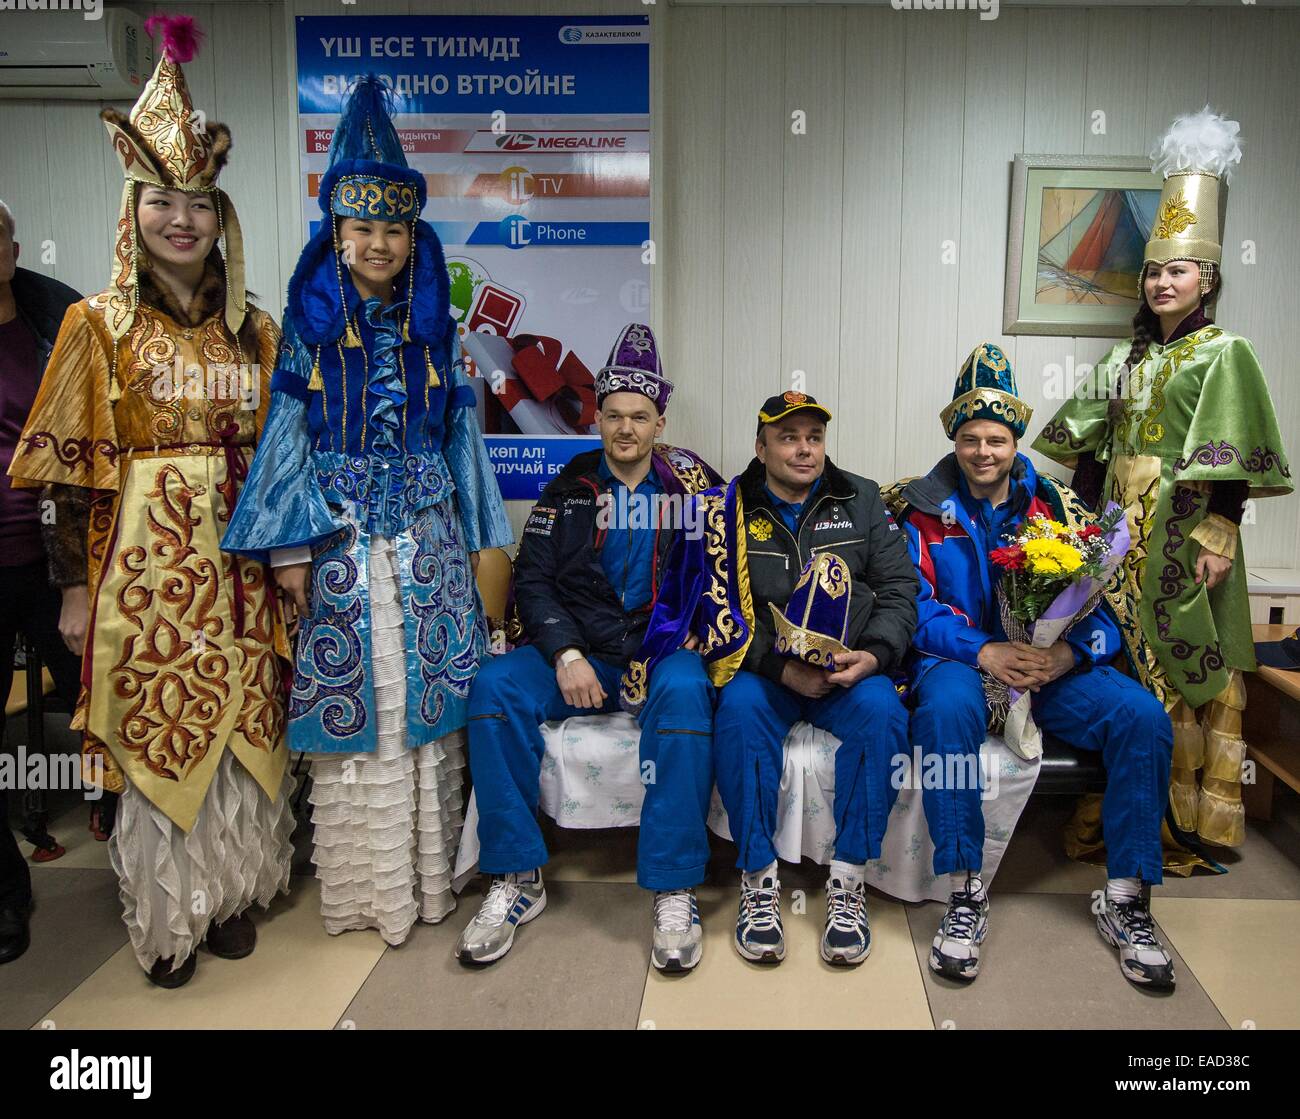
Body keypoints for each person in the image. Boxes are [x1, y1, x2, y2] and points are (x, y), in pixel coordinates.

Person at [7, 16, 293, 988]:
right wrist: (73, 593)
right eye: (163, 200)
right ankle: (168, 923)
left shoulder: (255, 330)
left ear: (222, 217)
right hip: (139, 570)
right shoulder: (95, 326)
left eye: (200, 203)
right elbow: (62, 470)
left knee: (241, 734)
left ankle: (228, 899)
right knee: (162, 733)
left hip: (241, 563)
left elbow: (285, 457)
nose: (184, 220)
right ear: (135, 210)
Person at [223, 76, 512, 946]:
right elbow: (285, 433)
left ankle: (432, 882)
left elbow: (462, 436)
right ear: (337, 235)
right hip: (341, 537)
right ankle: (368, 890)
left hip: (426, 533)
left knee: (432, 703)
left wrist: (477, 540)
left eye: (393, 228)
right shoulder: (307, 331)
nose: (379, 243)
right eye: (363, 229)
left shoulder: (438, 331)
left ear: (410, 236)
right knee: (371, 699)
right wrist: (289, 548)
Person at [1033, 109, 1292, 849]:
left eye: (1176, 270)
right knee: (1119, 657)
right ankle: (1120, 816)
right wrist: (1078, 529)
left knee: (1182, 666)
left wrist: (1222, 529)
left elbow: (1234, 453)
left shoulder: (1223, 354)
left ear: (1206, 278)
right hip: (1119, 535)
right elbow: (1084, 445)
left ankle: (1186, 829)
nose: (1160, 283)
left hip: (1185, 537)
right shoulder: (1127, 359)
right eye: (1152, 271)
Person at [889, 343, 1176, 988]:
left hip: (1046, 668)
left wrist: (1065, 653)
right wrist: (983, 649)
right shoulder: (917, 511)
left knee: (1142, 719)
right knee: (944, 712)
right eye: (970, 439)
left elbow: (1101, 608)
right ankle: (965, 889)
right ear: (954, 441)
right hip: (961, 661)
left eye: (997, 438)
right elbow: (911, 607)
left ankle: (1127, 896)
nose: (984, 452)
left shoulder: (1059, 507)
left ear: (1015, 439)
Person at [455, 323, 722, 973]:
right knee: (493, 689)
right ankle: (518, 876)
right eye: (614, 415)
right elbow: (534, 577)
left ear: (661, 421)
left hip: (660, 652)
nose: (625, 428)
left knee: (688, 691)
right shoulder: (567, 486)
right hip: (585, 645)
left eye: (640, 416)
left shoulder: (696, 485)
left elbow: (728, 567)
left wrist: (704, 620)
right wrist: (566, 653)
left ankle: (674, 884)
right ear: (596, 417)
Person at [710, 392, 917, 967]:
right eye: (788, 437)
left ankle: (848, 880)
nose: (804, 449)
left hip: (849, 669)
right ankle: (757, 879)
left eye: (814, 437)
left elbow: (900, 591)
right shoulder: (725, 508)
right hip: (769, 670)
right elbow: (716, 609)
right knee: (739, 714)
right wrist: (780, 669)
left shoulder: (862, 498)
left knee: (883, 718)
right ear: (761, 446)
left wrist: (874, 656)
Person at [0, 197, 84, 964]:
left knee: (104, 716)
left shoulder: (59, 318)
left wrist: (76, 579)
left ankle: (134, 859)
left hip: (54, 560)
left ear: (13, 244)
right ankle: (5, 894)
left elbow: (82, 456)